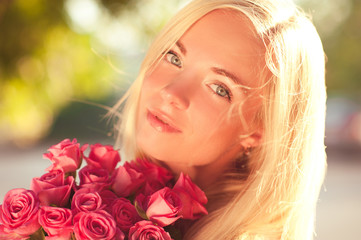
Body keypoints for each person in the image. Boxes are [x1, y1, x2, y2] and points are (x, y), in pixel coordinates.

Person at [110, 0, 327, 239]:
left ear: (259, 131)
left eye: (220, 89)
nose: (171, 92)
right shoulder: (102, 203)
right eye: (174, 58)